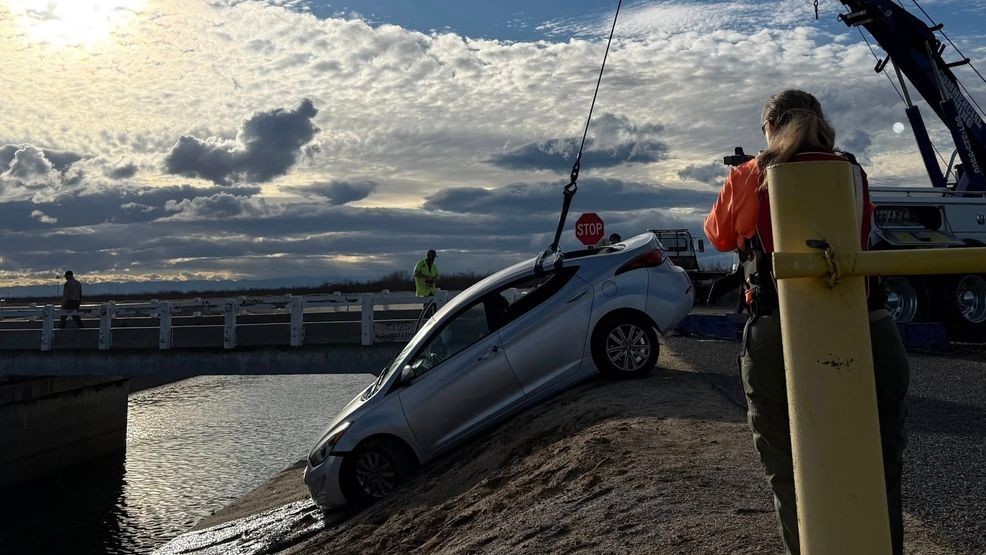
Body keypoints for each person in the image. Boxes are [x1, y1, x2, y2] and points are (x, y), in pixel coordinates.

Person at [703, 89, 909, 555]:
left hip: (779, 330)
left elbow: (717, 236)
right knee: (880, 467)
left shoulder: (749, 176)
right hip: (868, 322)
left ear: (769, 129)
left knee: (790, 469)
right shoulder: (853, 172)